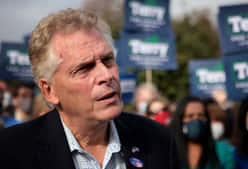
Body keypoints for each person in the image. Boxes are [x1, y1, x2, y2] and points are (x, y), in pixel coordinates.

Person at [0, 9, 179, 169]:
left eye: (108, 60)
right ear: (50, 91)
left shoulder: (158, 139)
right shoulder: (11, 151)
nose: (106, 75)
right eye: (84, 68)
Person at [170, 96, 236, 169]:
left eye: (200, 115)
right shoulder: (169, 151)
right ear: (180, 120)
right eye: (190, 116)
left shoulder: (221, 150)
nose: (196, 120)